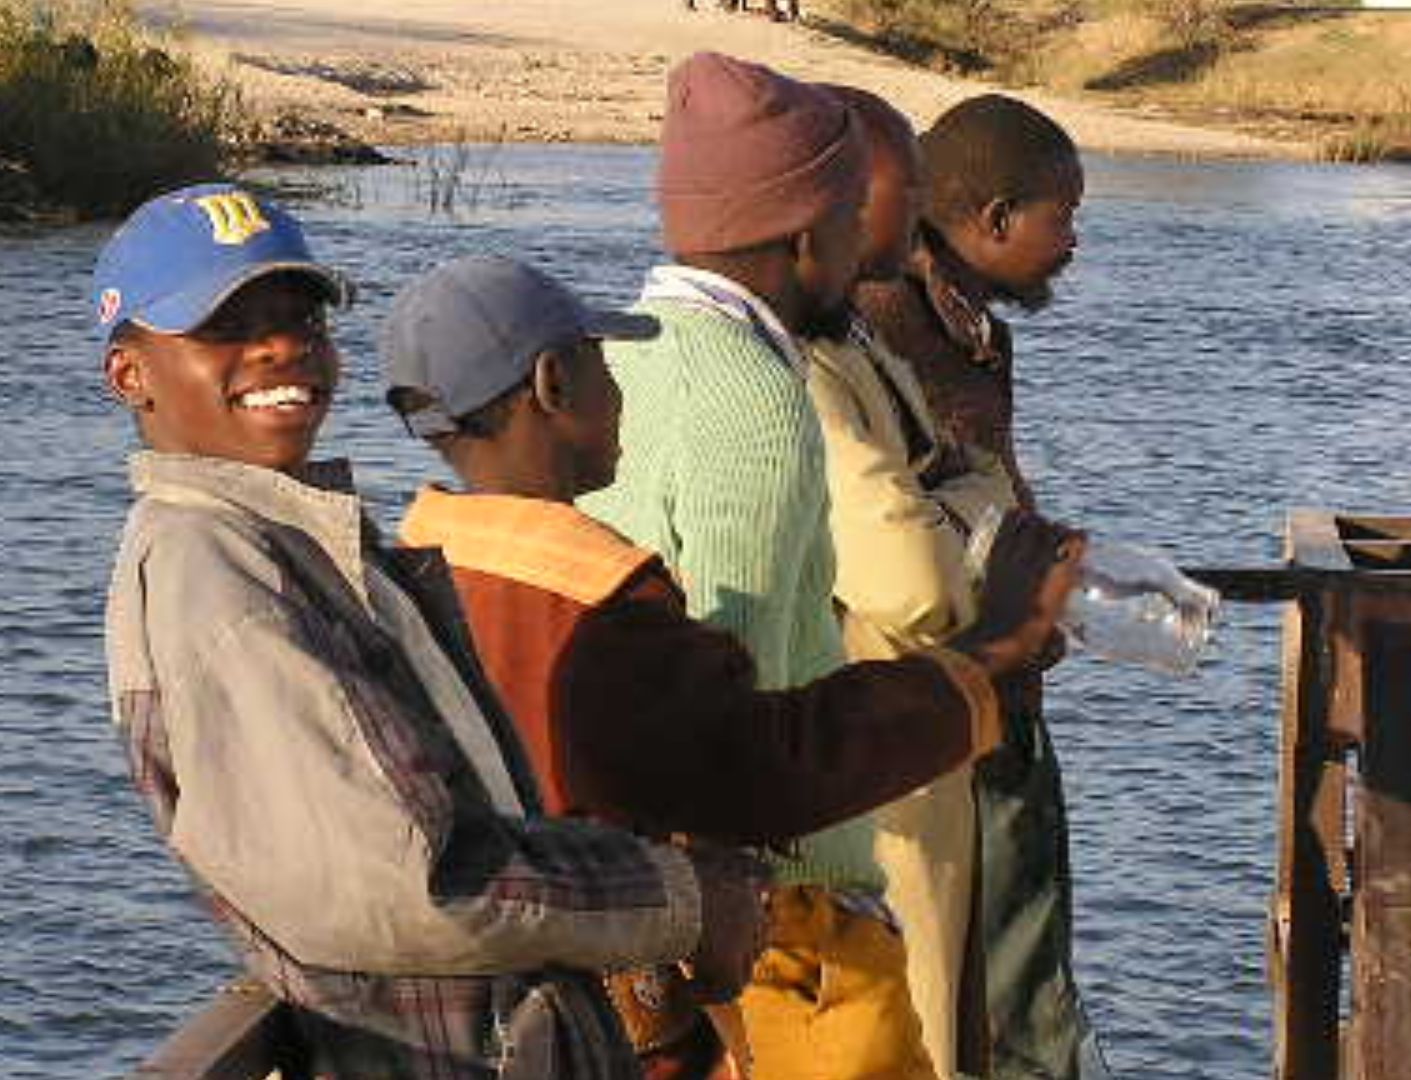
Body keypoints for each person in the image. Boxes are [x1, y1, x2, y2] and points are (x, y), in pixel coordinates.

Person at [96, 183, 767, 1078]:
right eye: (228, 326)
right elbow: (414, 882)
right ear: (129, 376)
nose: (282, 347)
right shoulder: (215, 571)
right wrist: (683, 901)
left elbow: (461, 827)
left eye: (302, 319)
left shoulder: (290, 539)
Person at [381, 254, 1081, 1072]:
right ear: (552, 385)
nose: (624, 395)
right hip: (616, 1018)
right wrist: (989, 650)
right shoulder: (598, 610)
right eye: (604, 365)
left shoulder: (408, 582)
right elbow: (767, 765)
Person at [578, 53, 1014, 1077]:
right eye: (853, 212)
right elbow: (747, 687)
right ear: (805, 230)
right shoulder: (758, 393)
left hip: (659, 892)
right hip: (780, 923)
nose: (879, 241)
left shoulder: (631, 345)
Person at [855, 95, 1108, 1079]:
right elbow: (912, 525)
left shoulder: (960, 323)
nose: (1075, 241)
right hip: (951, 696)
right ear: (995, 220)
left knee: (1007, 968)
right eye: (1064, 216)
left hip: (982, 687)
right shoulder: (892, 322)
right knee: (1008, 983)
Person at [801, 87, 1022, 1080]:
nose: (916, 207)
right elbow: (916, 573)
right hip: (874, 763)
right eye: (903, 187)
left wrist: (961, 500)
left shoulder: (861, 340)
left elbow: (968, 480)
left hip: (925, 747)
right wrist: (976, 518)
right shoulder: (814, 362)